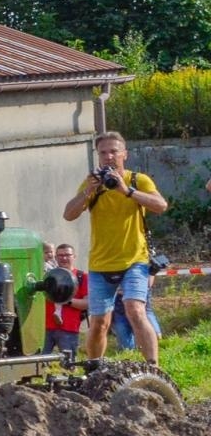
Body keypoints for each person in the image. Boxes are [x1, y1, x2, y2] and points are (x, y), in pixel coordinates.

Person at [61, 131, 169, 364]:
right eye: (103, 153)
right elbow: (68, 215)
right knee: (99, 321)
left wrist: (126, 191)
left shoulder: (137, 180)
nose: (109, 156)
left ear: (124, 154)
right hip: (101, 264)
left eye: (113, 151)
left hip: (135, 260)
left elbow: (161, 205)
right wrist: (88, 190)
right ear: (98, 157)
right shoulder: (93, 185)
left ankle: (153, 366)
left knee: (134, 309)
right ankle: (93, 368)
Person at [41, 243, 88, 357]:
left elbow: (86, 304)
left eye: (67, 255)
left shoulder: (82, 276)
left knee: (68, 366)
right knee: (37, 364)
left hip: (69, 328)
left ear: (74, 256)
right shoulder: (48, 275)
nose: (64, 258)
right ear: (56, 257)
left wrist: (65, 300)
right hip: (44, 327)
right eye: (60, 255)